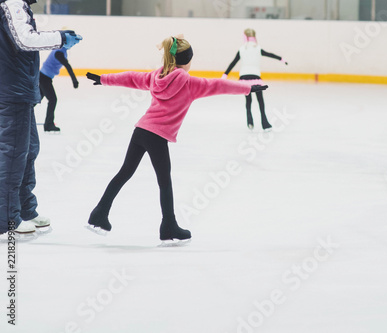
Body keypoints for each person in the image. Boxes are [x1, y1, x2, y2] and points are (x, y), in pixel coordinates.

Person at [86, 35, 267, 245]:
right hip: (156, 136)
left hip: (140, 131)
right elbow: (218, 85)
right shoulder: (189, 83)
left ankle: (100, 213)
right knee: (164, 182)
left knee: (124, 172)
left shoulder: (157, 76)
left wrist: (104, 79)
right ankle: (169, 226)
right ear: (188, 60)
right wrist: (247, 87)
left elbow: (132, 77)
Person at [0, 0, 82, 237]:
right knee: (13, 154)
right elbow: (25, 40)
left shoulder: (20, 6)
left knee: (29, 150)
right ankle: (7, 218)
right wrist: (60, 38)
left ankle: (25, 209)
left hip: (21, 90)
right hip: (12, 91)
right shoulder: (12, 3)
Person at [223, 28, 287, 131]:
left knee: (248, 101)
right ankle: (265, 123)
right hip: (256, 77)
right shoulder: (258, 48)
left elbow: (233, 63)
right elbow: (270, 54)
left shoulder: (242, 49)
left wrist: (225, 74)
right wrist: (281, 59)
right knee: (260, 101)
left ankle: (250, 121)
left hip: (244, 77)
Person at [39, 39, 79, 132]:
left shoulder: (61, 50)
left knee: (37, 98)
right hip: (44, 78)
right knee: (52, 99)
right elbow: (67, 65)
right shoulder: (59, 53)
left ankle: (22, 117)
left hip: (44, 77)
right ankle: (48, 125)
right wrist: (74, 80)